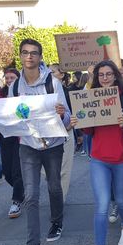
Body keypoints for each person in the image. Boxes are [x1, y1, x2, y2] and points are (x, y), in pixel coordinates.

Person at [3, 39, 71, 245]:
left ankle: (56, 221)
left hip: (52, 145)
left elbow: (68, 118)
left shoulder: (53, 82)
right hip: (28, 146)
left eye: (34, 53)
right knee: (31, 195)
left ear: (40, 57)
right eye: (25, 53)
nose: (29, 57)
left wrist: (62, 115)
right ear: (20, 56)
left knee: (53, 185)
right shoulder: (14, 87)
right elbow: (11, 117)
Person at [78, 60, 123, 245]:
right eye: (100, 75)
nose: (104, 78)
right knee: (102, 205)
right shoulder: (89, 98)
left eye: (108, 74)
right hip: (100, 158)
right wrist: (81, 123)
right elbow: (88, 133)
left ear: (115, 75)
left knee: (121, 199)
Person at [0, 68, 24, 218]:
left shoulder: (23, 92)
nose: (9, 80)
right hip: (6, 136)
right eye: (7, 77)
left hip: (21, 136)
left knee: (17, 171)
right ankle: (22, 190)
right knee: (7, 172)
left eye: (12, 77)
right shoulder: (0, 94)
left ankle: (16, 201)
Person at [50, 63, 76, 202]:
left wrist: (68, 127)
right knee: (50, 172)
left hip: (66, 132)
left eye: (52, 71)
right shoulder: (45, 91)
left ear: (61, 74)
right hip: (49, 136)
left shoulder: (68, 91)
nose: (49, 74)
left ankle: (59, 202)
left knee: (63, 172)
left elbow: (75, 112)